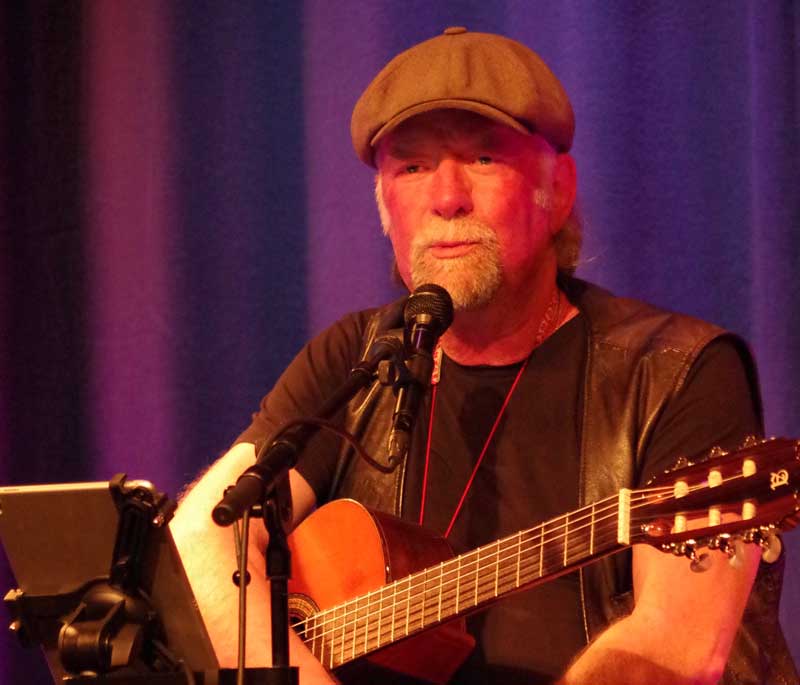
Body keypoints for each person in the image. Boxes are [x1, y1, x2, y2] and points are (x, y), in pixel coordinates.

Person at [171, 28, 796, 684]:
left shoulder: (677, 370)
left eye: (483, 158)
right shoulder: (356, 361)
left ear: (557, 190)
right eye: (412, 168)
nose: (446, 198)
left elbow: (674, 647)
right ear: (384, 205)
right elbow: (202, 542)